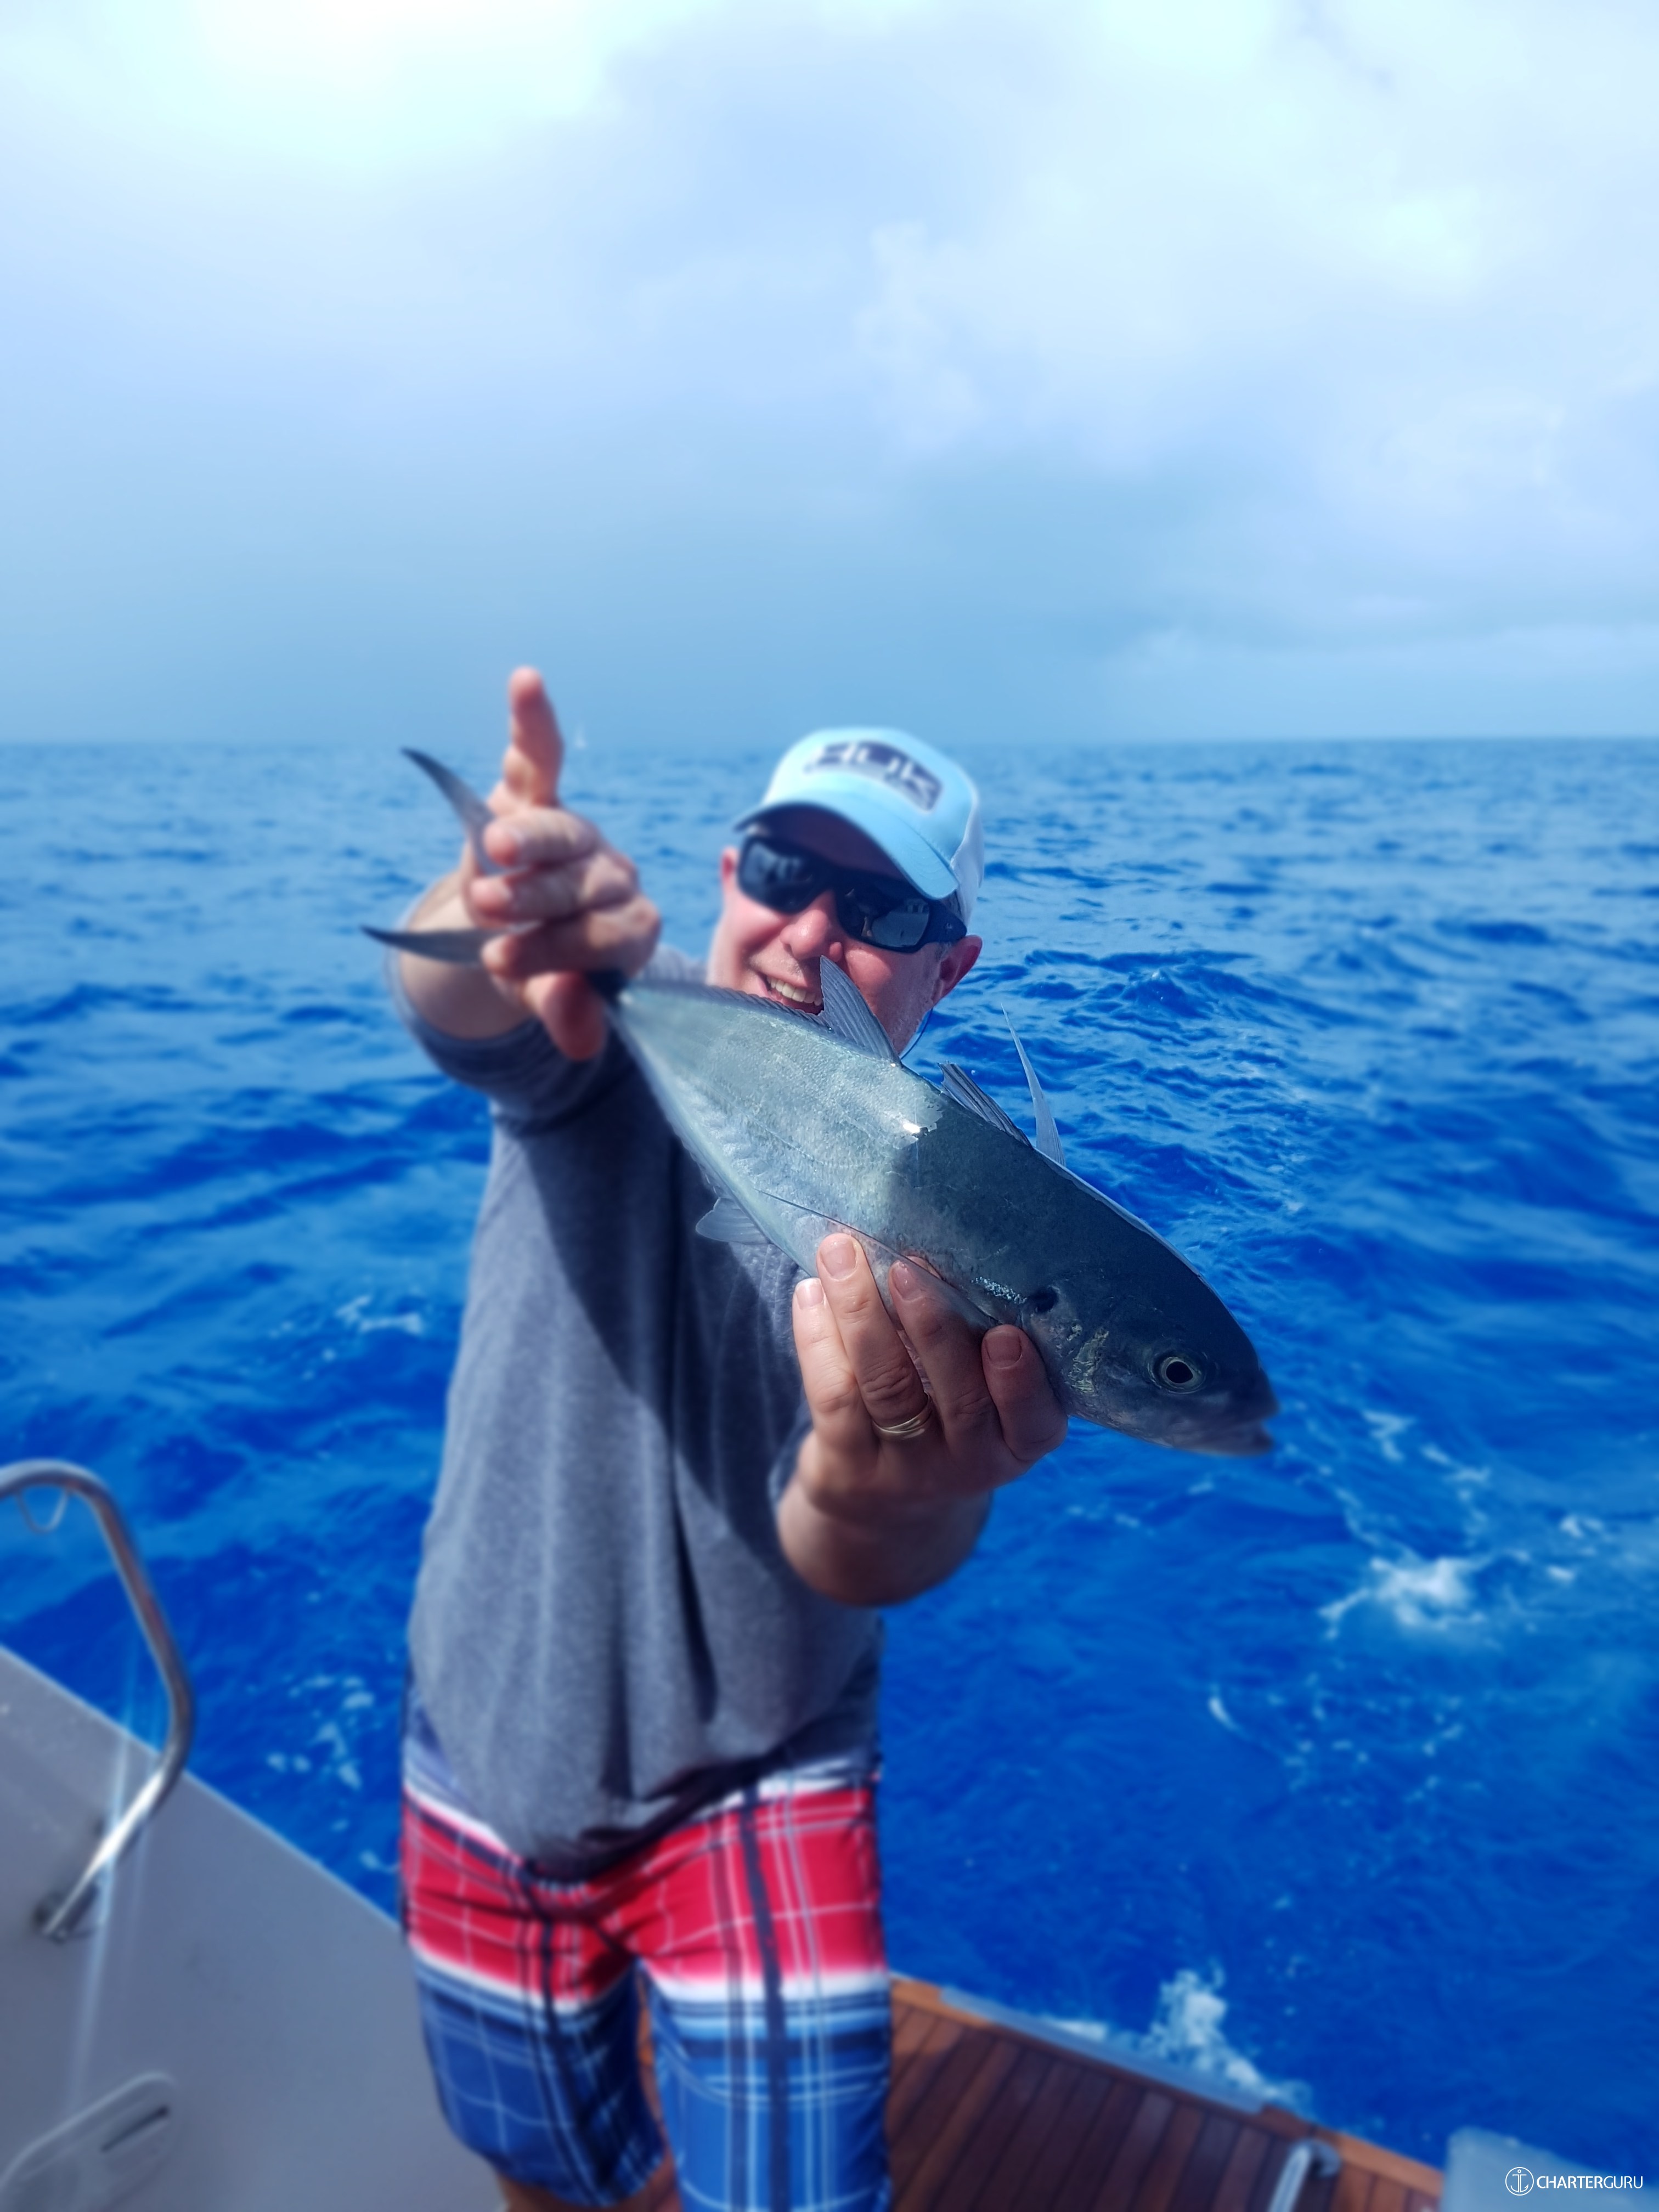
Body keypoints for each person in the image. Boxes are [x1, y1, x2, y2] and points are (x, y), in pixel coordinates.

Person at [391, 669, 1066, 2212]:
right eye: (784, 871)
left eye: (881, 911)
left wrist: (880, 1491)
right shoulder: (607, 1033)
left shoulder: (960, 1216)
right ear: (727, 873)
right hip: (489, 1729)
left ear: (951, 964)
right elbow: (470, 1008)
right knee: (533, 2168)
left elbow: (860, 1545)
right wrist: (494, 905)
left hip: (767, 1756)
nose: (811, 932)